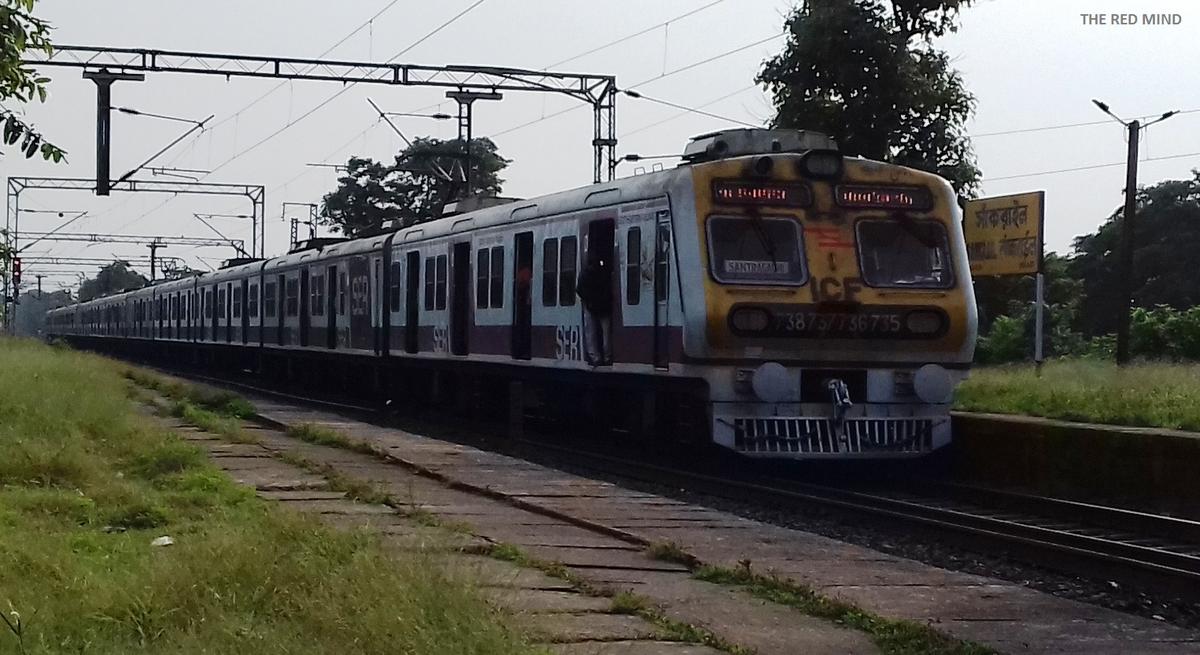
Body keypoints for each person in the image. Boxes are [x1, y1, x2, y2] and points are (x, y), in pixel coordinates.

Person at [576, 250, 612, 365]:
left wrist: (588, 301)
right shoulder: (603, 273)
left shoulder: (584, 274)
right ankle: (607, 356)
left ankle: (595, 357)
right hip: (603, 306)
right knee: (605, 333)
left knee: (591, 332)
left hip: (591, 305)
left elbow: (579, 290)